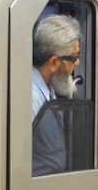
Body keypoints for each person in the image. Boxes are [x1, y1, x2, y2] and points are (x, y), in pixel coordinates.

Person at [31, 14, 81, 176]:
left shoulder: (49, 88)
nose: (78, 63)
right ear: (53, 63)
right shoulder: (32, 98)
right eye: (73, 58)